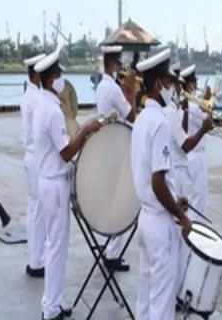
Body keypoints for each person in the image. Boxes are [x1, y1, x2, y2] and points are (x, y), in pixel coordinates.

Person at [33, 48, 102, 320]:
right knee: (57, 248)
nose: (63, 79)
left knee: (55, 245)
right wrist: (85, 130)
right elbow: (65, 153)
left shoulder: (43, 104)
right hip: (54, 183)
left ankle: (53, 303)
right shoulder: (50, 110)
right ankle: (50, 309)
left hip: (47, 181)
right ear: (51, 81)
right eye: (59, 75)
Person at [131, 48, 191, 320]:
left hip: (146, 217)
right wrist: (180, 215)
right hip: (159, 223)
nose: (172, 88)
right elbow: (157, 182)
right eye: (168, 83)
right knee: (162, 304)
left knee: (146, 298)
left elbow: (155, 180)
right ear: (157, 85)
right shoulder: (161, 123)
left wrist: (174, 198)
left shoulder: (142, 119)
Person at [95, 44, 136, 272]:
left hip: (107, 146)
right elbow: (132, 115)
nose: (121, 68)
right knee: (119, 201)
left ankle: (109, 246)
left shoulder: (103, 86)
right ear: (112, 64)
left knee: (110, 199)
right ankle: (113, 253)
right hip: (116, 147)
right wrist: (131, 90)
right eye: (119, 64)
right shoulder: (113, 89)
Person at [20, 52, 47, 279]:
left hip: (30, 155)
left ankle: (34, 256)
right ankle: (37, 261)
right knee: (39, 211)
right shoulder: (38, 98)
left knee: (33, 209)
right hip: (37, 156)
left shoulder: (28, 95)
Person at [181, 64, 212, 215]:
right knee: (199, 198)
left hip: (192, 155)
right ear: (190, 84)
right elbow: (209, 121)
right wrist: (206, 102)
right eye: (195, 82)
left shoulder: (191, 105)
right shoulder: (193, 107)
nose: (197, 85)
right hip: (196, 155)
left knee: (196, 196)